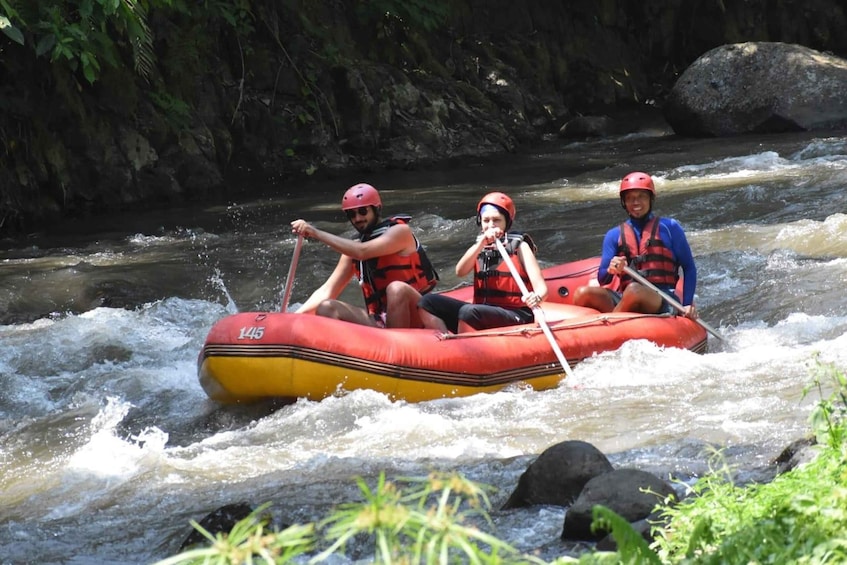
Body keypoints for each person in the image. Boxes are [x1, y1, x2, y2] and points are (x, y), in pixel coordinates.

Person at [289, 183, 438, 328]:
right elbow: (327, 290)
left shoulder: (400, 232)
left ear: (377, 209)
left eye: (362, 211)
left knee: (396, 289)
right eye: (352, 214)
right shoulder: (353, 250)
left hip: (418, 313)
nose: (358, 218)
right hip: (382, 319)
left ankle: (397, 345)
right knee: (327, 307)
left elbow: (362, 251)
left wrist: (315, 232)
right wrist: (292, 317)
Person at [572, 171, 698, 318]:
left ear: (651, 199)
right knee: (582, 293)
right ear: (624, 202)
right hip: (625, 297)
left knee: (634, 291)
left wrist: (687, 303)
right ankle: (604, 327)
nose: (635, 202)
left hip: (663, 298)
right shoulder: (614, 235)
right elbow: (602, 279)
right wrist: (611, 270)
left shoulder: (670, 228)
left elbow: (689, 268)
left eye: (641, 197)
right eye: (630, 198)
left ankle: (611, 325)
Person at [417, 192, 547, 334]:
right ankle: (445, 344)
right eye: (486, 220)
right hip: (482, 312)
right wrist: (481, 244)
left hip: (516, 313)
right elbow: (460, 271)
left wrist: (536, 297)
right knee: (427, 302)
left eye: (496, 220)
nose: (490, 225)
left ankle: (462, 346)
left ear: (506, 222)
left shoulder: (520, 247)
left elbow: (542, 289)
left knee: (469, 311)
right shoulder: (480, 247)